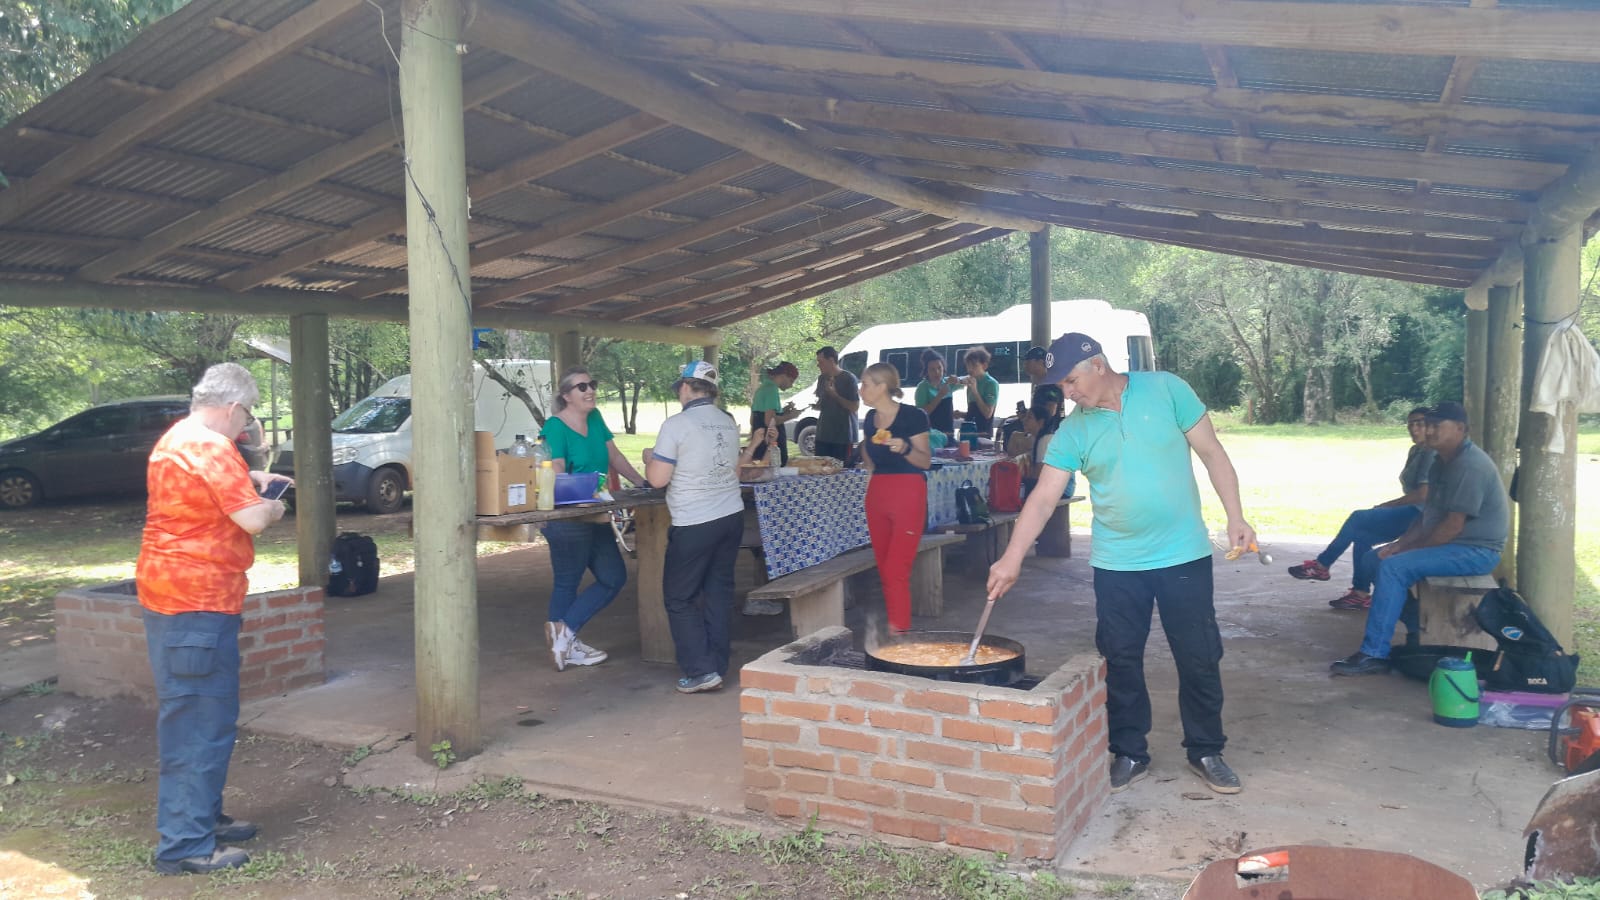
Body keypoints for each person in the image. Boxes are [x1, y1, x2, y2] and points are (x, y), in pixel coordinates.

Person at [986, 333, 1256, 796]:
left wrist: (1236, 516)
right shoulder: (1074, 430)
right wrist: (1011, 557)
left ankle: (1206, 749)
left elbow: (1212, 453)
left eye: (1070, 380)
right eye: (1061, 385)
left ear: (1098, 365)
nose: (1066, 393)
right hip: (1117, 563)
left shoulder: (1167, 389)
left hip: (1183, 555)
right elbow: (1045, 496)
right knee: (1121, 659)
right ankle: (1130, 751)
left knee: (1199, 654)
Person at [136, 362, 292, 875]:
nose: (245, 426)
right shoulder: (212, 446)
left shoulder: (180, 437)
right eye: (245, 415)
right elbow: (251, 519)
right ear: (231, 408)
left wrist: (249, 478)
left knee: (206, 717)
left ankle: (204, 818)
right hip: (196, 604)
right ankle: (186, 845)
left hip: (175, 598)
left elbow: (202, 488)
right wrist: (271, 506)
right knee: (198, 724)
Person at [1330, 402, 1509, 676]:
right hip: (1454, 544)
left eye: (1437, 425)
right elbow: (1427, 517)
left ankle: (1374, 653)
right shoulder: (1441, 460)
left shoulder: (1470, 465)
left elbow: (1451, 526)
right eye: (1427, 425)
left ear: (1460, 429)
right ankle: (1417, 629)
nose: (1429, 430)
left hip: (1477, 550)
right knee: (1373, 558)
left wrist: (1405, 551)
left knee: (1393, 567)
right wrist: (1399, 545)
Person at [643, 361, 765, 694]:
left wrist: (649, 457)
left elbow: (657, 479)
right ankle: (717, 663)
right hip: (730, 515)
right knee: (717, 592)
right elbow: (734, 468)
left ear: (684, 387)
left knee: (679, 598)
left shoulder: (677, 424)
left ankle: (700, 670)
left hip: (694, 519)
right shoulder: (726, 422)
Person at [540, 366, 648, 672]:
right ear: (566, 396)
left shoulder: (596, 418)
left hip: (597, 513)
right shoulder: (554, 427)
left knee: (614, 577)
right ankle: (565, 647)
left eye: (592, 384)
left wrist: (642, 483)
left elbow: (614, 456)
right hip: (568, 518)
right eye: (582, 387)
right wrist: (584, 492)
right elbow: (556, 472)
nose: (590, 391)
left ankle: (565, 633)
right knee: (567, 582)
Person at [1287, 407, 1435, 610]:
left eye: (1419, 423)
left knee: (1357, 518)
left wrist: (1387, 505)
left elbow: (1423, 495)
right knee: (1362, 537)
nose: (1413, 428)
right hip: (1412, 512)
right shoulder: (1417, 450)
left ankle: (1322, 565)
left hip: (1421, 515)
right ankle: (1360, 593)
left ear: (1431, 426)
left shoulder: (1431, 452)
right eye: (1410, 424)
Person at [860, 362, 933, 634]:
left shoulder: (913, 416)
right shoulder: (870, 420)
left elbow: (925, 461)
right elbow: (868, 452)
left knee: (896, 569)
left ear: (881, 387)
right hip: (878, 492)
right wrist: (867, 460)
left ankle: (899, 633)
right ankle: (896, 627)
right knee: (884, 567)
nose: (860, 389)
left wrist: (903, 448)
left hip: (907, 491)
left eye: (865, 384)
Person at [812, 346, 859, 463]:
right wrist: (816, 406)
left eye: (821, 362)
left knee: (841, 472)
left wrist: (835, 395)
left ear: (831, 360)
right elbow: (822, 403)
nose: (818, 365)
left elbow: (855, 407)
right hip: (823, 435)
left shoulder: (849, 378)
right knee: (821, 470)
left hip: (842, 437)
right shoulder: (821, 379)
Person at [750, 361, 800, 466]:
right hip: (769, 448)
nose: (791, 385)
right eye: (791, 381)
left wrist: (784, 411)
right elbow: (769, 421)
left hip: (759, 444)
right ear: (784, 376)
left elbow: (755, 417)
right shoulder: (772, 389)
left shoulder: (763, 388)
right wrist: (792, 416)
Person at [913, 349, 958, 442]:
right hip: (933, 438)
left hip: (949, 435)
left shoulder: (947, 382)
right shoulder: (922, 387)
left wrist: (959, 380)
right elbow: (922, 414)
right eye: (932, 369)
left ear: (943, 368)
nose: (937, 372)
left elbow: (968, 381)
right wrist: (940, 396)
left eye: (939, 368)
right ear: (926, 371)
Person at [962, 346, 1001, 438]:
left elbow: (987, 413)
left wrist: (975, 391)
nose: (970, 369)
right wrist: (960, 414)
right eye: (968, 366)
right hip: (969, 432)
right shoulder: (970, 382)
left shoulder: (991, 383)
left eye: (974, 366)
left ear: (984, 365)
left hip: (984, 434)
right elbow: (974, 413)